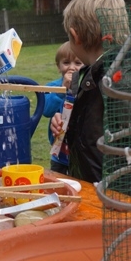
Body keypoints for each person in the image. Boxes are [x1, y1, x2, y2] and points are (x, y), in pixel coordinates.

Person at [50, 0, 131, 200]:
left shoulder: (121, 80)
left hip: (119, 202)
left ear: (74, 36)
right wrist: (65, 125)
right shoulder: (89, 76)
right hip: (90, 189)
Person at [42, 41, 83, 174]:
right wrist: (62, 90)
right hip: (59, 154)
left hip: (80, 153)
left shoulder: (86, 86)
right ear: (58, 66)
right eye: (66, 63)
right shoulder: (52, 87)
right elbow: (47, 110)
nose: (72, 68)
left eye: (78, 63)